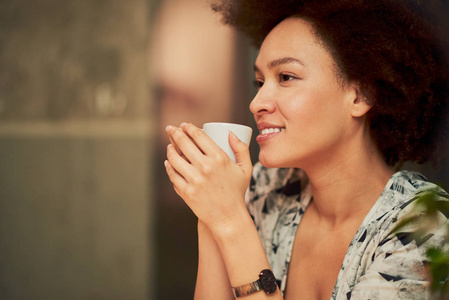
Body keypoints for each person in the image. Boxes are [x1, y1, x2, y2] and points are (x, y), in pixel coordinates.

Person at [164, 0, 449, 299]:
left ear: (360, 95)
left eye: (286, 77)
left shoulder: (425, 228)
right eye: (259, 82)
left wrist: (230, 221)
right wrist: (211, 214)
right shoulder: (267, 191)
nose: (256, 102)